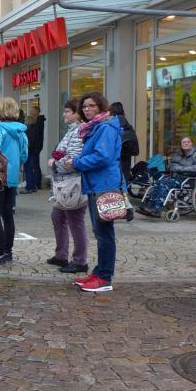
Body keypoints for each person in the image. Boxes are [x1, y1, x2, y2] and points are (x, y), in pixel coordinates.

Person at [65, 92, 122, 293]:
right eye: (85, 106)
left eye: (92, 106)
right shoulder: (95, 127)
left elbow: (102, 157)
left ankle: (104, 277)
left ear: (101, 107)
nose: (87, 109)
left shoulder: (105, 127)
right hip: (96, 184)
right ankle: (99, 272)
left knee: (104, 233)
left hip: (104, 185)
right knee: (100, 232)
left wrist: (77, 162)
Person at [46, 99, 88, 274]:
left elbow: (73, 158)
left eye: (67, 111)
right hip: (65, 184)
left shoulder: (79, 131)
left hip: (73, 184)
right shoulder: (72, 130)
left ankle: (80, 261)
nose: (64, 114)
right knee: (57, 216)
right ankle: (61, 255)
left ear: (77, 114)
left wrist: (55, 163)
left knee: (75, 221)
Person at [0, 97, 28, 265]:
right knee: (8, 215)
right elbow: (24, 155)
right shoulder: (21, 131)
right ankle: (8, 252)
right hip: (12, 176)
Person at [137, 136, 196, 217]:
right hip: (178, 177)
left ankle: (157, 209)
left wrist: (180, 168)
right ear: (181, 145)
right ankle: (150, 206)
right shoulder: (178, 154)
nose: (186, 143)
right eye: (184, 142)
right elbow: (172, 167)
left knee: (164, 183)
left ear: (192, 143)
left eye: (188, 142)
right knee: (157, 183)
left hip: (190, 179)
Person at [109, 102, 139, 182]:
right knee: (124, 175)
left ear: (111, 111)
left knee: (116, 178)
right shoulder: (127, 123)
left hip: (116, 154)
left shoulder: (113, 122)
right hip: (126, 153)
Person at [22, 105, 45, 194]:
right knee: (32, 167)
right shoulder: (35, 126)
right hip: (34, 149)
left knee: (28, 168)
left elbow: (30, 141)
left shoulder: (31, 129)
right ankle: (34, 185)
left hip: (30, 150)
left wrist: (26, 148)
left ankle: (30, 187)